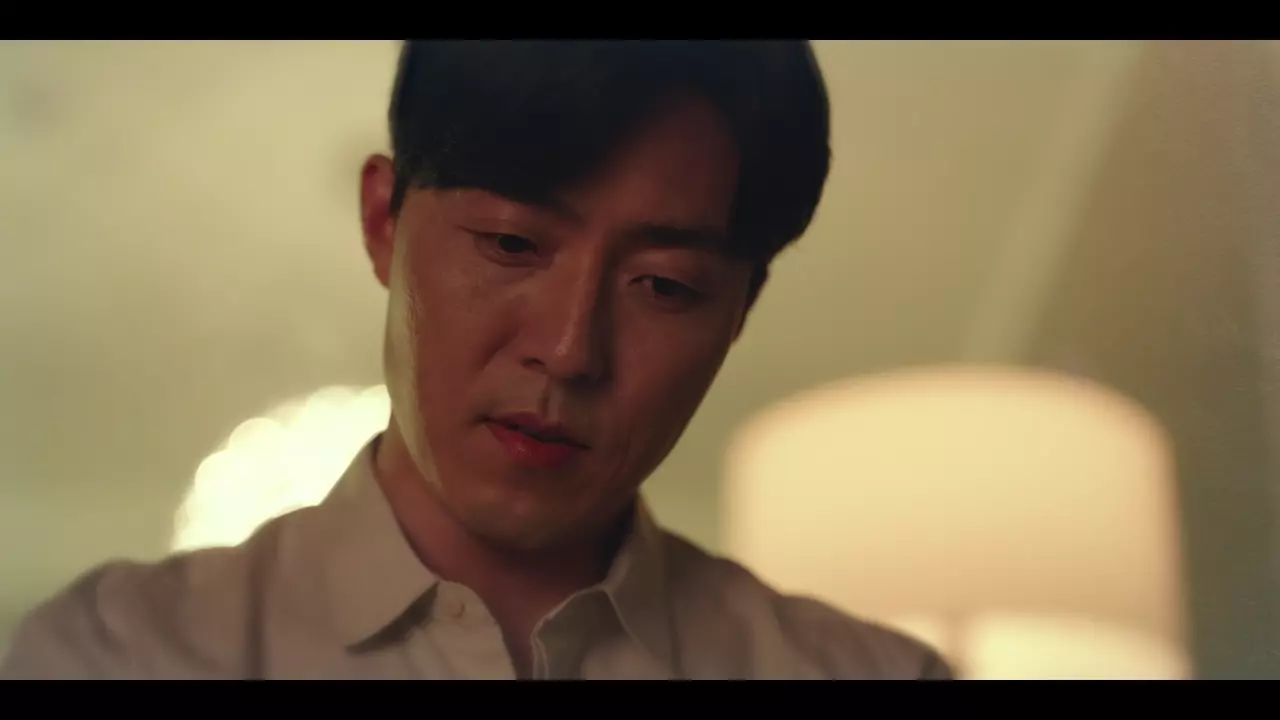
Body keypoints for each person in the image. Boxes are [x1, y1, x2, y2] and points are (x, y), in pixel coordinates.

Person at [1, 40, 952, 680]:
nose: (570, 351)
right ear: (383, 221)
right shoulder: (122, 654)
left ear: (741, 309)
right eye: (511, 244)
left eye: (664, 286)